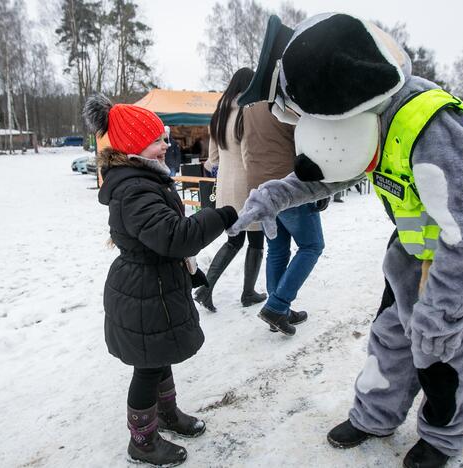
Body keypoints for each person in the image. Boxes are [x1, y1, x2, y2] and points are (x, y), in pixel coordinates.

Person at [231, 13, 463, 467]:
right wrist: (276, 194)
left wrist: (440, 313)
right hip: (411, 244)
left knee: (452, 351)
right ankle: (375, 416)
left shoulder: (429, 122)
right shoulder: (367, 117)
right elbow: (335, 168)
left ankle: (442, 439)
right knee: (391, 336)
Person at [83, 94, 238, 466]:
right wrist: (220, 215)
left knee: (159, 357)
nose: (167, 145)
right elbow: (172, 236)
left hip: (156, 282)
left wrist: (191, 271)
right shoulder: (135, 188)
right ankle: (142, 440)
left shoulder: (143, 178)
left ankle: (166, 415)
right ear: (136, 146)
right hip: (143, 288)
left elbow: (166, 242)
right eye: (158, 140)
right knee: (148, 366)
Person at [242, 99, 321, 335]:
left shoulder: (249, 105)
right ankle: (277, 306)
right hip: (288, 186)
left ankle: (278, 311)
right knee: (312, 245)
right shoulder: (287, 99)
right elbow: (308, 142)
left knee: (277, 249)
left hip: (259, 184)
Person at [195, 68, 268, 312]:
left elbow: (212, 159)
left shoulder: (218, 114)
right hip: (247, 186)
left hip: (225, 186)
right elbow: (249, 155)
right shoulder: (247, 113)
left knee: (234, 240)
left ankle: (207, 289)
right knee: (256, 240)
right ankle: (247, 293)